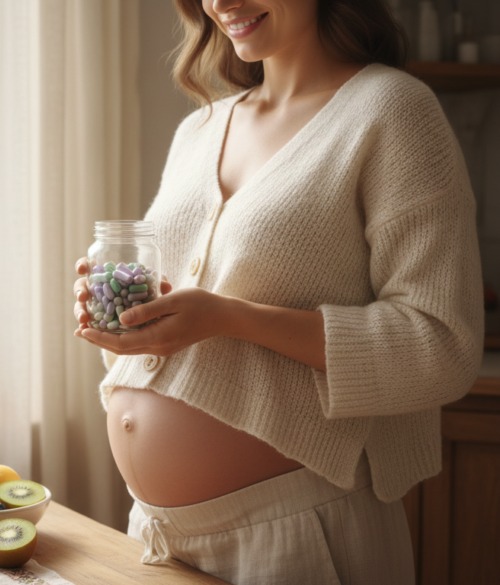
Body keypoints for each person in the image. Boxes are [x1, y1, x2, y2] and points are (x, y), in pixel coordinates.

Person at [72, 0, 483, 583]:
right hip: (155, 536)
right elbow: (184, 301)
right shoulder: (201, 127)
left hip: (297, 538)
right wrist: (122, 305)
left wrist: (230, 318)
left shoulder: (392, 110)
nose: (222, 4)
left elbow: (441, 345)